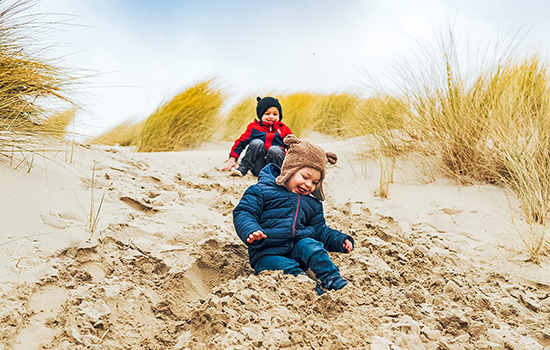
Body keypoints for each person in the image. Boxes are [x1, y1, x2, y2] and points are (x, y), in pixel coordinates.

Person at [233, 134, 354, 294]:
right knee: (285, 267)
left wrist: (340, 240)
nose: (308, 184)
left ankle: (333, 278)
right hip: (267, 253)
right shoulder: (262, 190)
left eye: (315, 182)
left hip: (297, 251)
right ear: (290, 169)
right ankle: (311, 290)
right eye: (305, 177)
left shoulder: (312, 203)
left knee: (312, 247)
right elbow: (244, 212)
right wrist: (251, 230)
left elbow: (320, 230)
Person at [222, 96, 293, 177]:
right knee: (257, 142)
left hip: (276, 168)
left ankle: (279, 174)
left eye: (275, 114)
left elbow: (294, 147)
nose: (271, 116)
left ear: (279, 116)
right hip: (257, 168)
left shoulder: (283, 129)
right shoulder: (254, 127)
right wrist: (232, 159)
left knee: (275, 149)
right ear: (261, 115)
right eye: (267, 113)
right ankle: (243, 168)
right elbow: (240, 142)